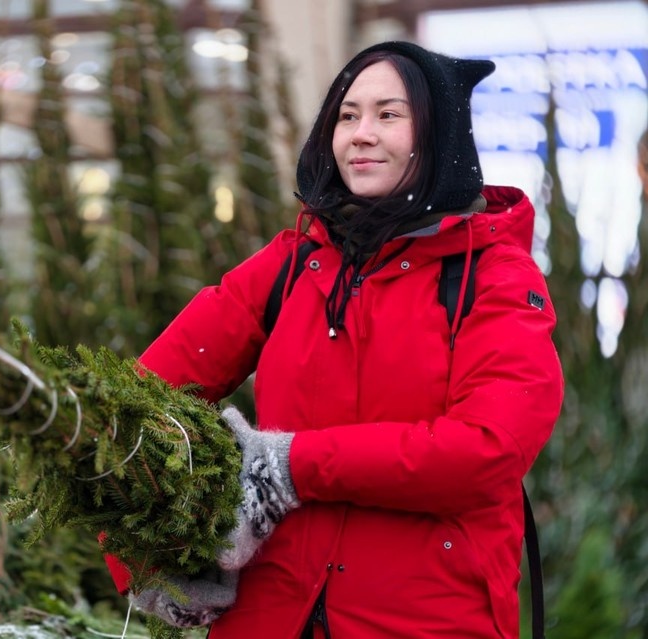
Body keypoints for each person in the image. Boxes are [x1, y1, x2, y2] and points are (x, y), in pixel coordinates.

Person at [106, 40, 564, 638]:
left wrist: (291, 465)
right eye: (347, 116)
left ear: (441, 135)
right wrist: (150, 559)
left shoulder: (493, 275)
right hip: (268, 620)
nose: (361, 134)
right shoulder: (291, 266)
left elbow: (486, 451)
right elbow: (122, 409)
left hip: (428, 620)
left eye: (389, 115)